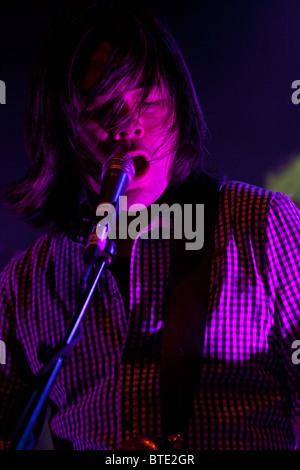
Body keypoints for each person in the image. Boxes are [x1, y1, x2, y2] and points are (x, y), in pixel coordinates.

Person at [0, 0, 300, 451]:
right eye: (103, 111)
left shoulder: (266, 226)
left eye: (145, 101)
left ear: (177, 106)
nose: (129, 129)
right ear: (63, 131)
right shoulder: (26, 284)